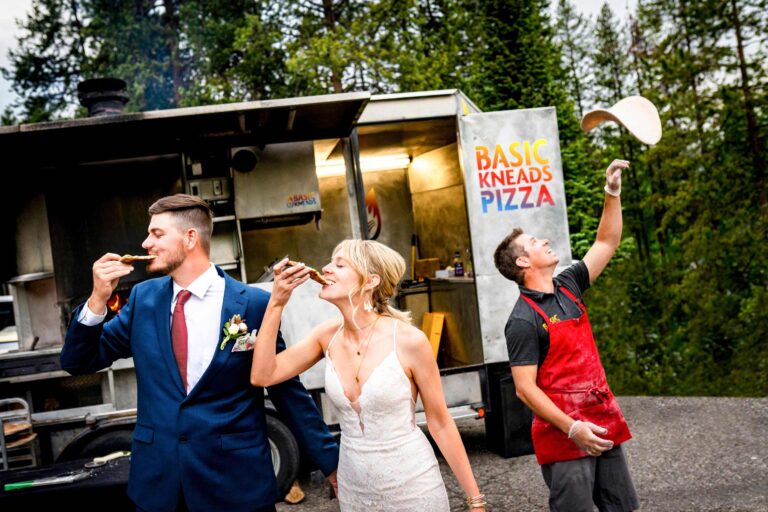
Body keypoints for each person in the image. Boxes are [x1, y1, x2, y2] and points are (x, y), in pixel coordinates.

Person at [60, 194, 339, 512]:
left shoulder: (253, 304)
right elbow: (77, 361)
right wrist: (98, 298)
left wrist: (331, 463)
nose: (146, 242)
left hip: (237, 484)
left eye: (157, 233)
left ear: (190, 237)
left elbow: (286, 389)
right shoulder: (143, 299)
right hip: (161, 487)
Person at [250, 239, 487, 512]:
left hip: (413, 487)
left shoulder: (410, 340)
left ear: (370, 281)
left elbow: (441, 423)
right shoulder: (325, 336)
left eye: (339, 264)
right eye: (330, 262)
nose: (326, 269)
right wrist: (277, 303)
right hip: (355, 492)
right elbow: (263, 375)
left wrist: (475, 499)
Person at [493, 159, 639, 512]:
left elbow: (607, 241)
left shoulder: (569, 285)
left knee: (620, 506)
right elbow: (525, 389)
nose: (544, 240)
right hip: (564, 434)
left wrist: (612, 191)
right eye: (533, 242)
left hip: (601, 416)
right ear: (523, 264)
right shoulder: (523, 320)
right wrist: (573, 428)